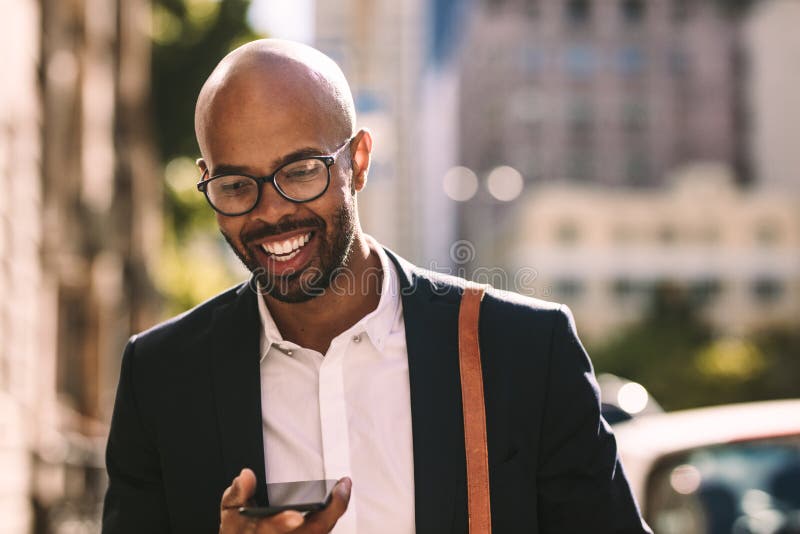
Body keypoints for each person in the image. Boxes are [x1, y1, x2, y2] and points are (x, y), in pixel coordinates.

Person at [102, 39, 651, 534]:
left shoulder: (526, 351)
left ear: (358, 161)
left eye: (300, 172)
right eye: (236, 185)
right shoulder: (162, 378)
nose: (270, 212)